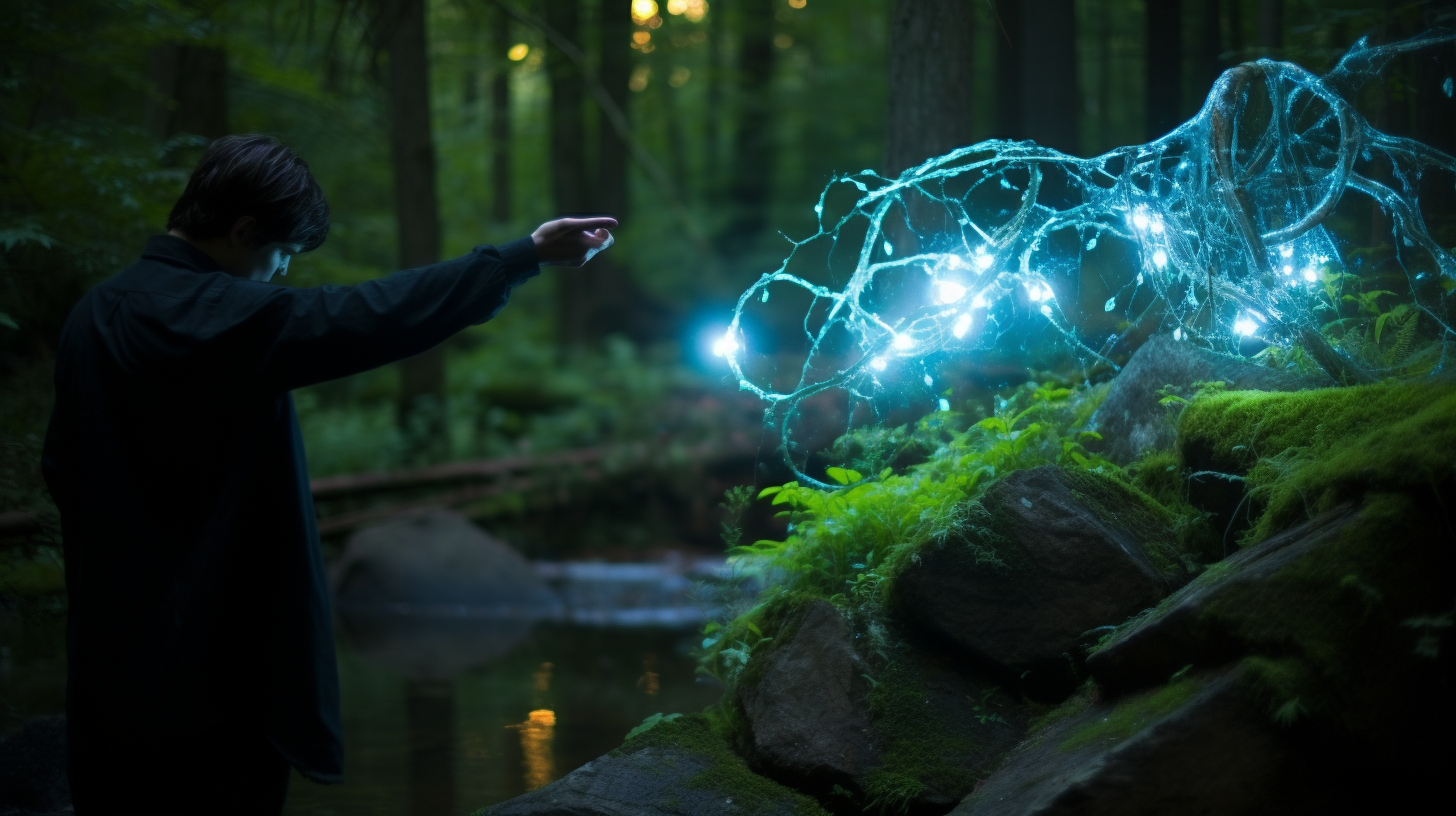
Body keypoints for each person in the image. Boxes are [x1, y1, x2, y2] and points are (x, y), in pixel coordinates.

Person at [41, 134, 616, 815]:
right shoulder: (207, 316)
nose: (281, 271)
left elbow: (60, 467)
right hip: (212, 681)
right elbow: (365, 317)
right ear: (244, 230)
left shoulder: (93, 315)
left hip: (111, 667)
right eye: (281, 253)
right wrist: (523, 256)